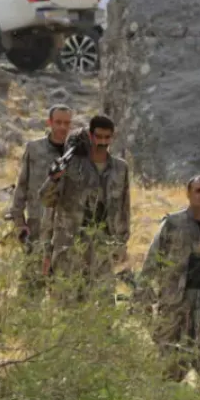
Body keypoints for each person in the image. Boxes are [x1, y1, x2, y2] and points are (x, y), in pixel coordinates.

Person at [136, 175, 200, 384]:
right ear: (188, 194)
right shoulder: (172, 223)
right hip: (176, 303)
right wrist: (143, 297)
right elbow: (152, 262)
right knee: (169, 362)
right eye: (199, 191)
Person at [39, 115, 131, 300]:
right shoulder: (71, 165)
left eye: (107, 137)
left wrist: (121, 244)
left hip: (102, 245)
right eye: (99, 137)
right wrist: (54, 179)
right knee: (67, 304)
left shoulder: (120, 168)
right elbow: (47, 202)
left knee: (102, 306)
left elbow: (124, 208)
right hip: (71, 245)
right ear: (90, 136)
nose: (103, 142)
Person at [10, 104, 73, 296]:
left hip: (65, 229)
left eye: (67, 123)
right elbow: (22, 186)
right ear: (49, 122)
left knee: (62, 286)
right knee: (31, 284)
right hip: (37, 225)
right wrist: (19, 222)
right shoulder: (34, 149)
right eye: (58, 122)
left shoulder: (77, 155)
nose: (62, 127)